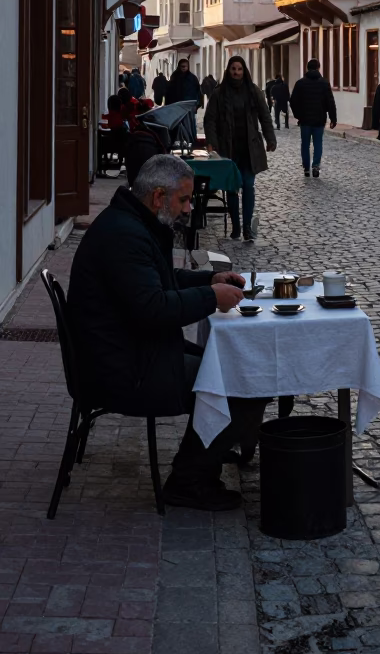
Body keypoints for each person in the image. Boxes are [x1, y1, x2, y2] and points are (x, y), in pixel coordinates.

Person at [66, 154, 265, 512]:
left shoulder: (131, 223)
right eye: (184, 199)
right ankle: (189, 481)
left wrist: (209, 279)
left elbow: (159, 285)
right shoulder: (126, 237)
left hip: (127, 351)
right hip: (123, 369)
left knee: (227, 368)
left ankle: (206, 456)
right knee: (244, 382)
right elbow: (154, 309)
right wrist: (210, 298)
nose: (188, 209)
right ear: (159, 197)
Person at [204, 55, 276, 241]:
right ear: (228, 70)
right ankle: (235, 227)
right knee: (232, 188)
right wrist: (211, 141)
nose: (236, 72)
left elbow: (265, 116)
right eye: (233, 69)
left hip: (249, 147)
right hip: (228, 147)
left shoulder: (253, 91)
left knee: (249, 186)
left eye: (239, 69)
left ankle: (247, 228)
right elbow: (210, 119)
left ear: (244, 71)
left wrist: (270, 138)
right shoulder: (219, 93)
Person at [290, 58, 337, 177]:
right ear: (318, 68)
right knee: (318, 143)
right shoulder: (324, 83)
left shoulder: (300, 83)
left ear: (307, 68)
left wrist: (298, 115)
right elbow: (330, 101)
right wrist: (333, 118)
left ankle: (306, 167)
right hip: (319, 119)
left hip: (305, 119)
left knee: (305, 144)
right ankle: (316, 165)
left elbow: (293, 101)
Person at [165, 57, 203, 143]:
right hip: (176, 107)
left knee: (188, 127)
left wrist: (196, 105)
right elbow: (169, 92)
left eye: (185, 66)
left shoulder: (192, 78)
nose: (184, 68)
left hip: (188, 108)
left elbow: (197, 91)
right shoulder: (174, 77)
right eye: (182, 66)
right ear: (179, 66)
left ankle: (190, 141)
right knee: (177, 127)